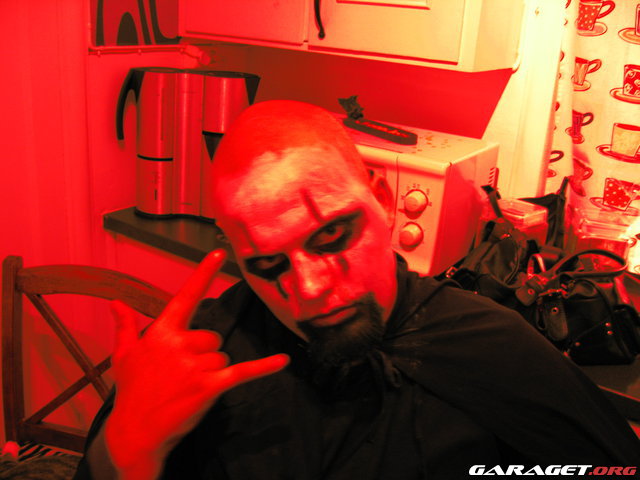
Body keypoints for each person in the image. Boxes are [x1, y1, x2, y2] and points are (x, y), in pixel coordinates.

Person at [74, 100, 640, 479]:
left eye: (330, 237)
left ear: (382, 201)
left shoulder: (491, 346)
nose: (309, 288)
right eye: (267, 263)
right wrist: (125, 449)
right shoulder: (204, 356)